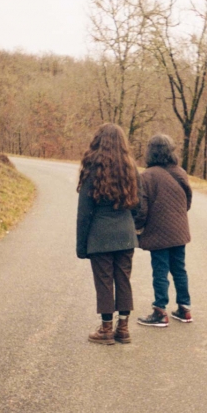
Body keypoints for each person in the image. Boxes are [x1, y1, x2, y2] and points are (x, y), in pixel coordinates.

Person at [76, 123, 140, 345]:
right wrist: (131, 225)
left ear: (98, 141)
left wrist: (81, 246)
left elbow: (84, 213)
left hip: (100, 235)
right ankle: (123, 328)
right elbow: (138, 204)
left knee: (104, 281)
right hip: (125, 234)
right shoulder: (131, 167)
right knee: (123, 279)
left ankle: (106, 330)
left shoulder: (92, 168)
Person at [135, 134, 193, 327]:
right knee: (179, 269)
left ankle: (160, 311)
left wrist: (137, 227)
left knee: (160, 271)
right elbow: (187, 201)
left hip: (158, 232)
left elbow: (142, 209)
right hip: (179, 231)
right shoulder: (181, 172)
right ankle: (184, 309)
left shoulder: (146, 176)